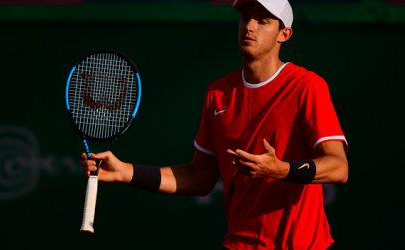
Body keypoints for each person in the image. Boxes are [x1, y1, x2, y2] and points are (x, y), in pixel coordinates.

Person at [81, 0, 349, 249]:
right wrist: (126, 172)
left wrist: (281, 169)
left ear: (284, 34)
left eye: (263, 20)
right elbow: (200, 177)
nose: (250, 26)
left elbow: (338, 167)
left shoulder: (307, 87)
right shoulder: (217, 94)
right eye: (245, 18)